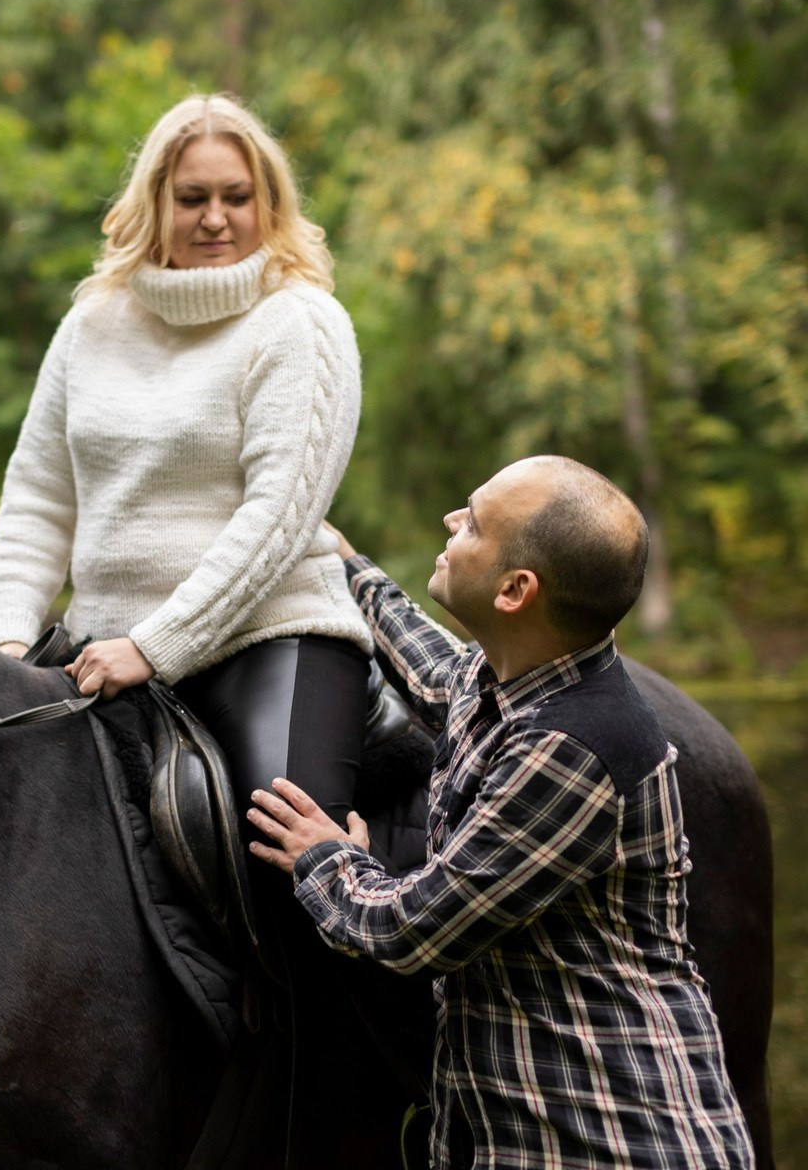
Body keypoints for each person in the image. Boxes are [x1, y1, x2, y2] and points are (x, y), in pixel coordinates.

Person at [247, 455, 755, 1170]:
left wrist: (325, 856)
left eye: (475, 523)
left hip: (611, 1140)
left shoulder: (576, 749)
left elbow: (412, 932)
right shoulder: (524, 678)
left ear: (516, 590)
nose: (453, 523)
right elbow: (438, 672)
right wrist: (348, 563)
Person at [0, 92, 373, 842]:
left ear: (270, 204)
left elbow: (278, 518)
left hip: (270, 638)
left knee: (284, 848)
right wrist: (6, 644)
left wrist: (154, 648)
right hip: (99, 651)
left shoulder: (301, 321)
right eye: (192, 198)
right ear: (154, 203)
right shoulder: (91, 324)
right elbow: (38, 499)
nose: (215, 218)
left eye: (237, 197)